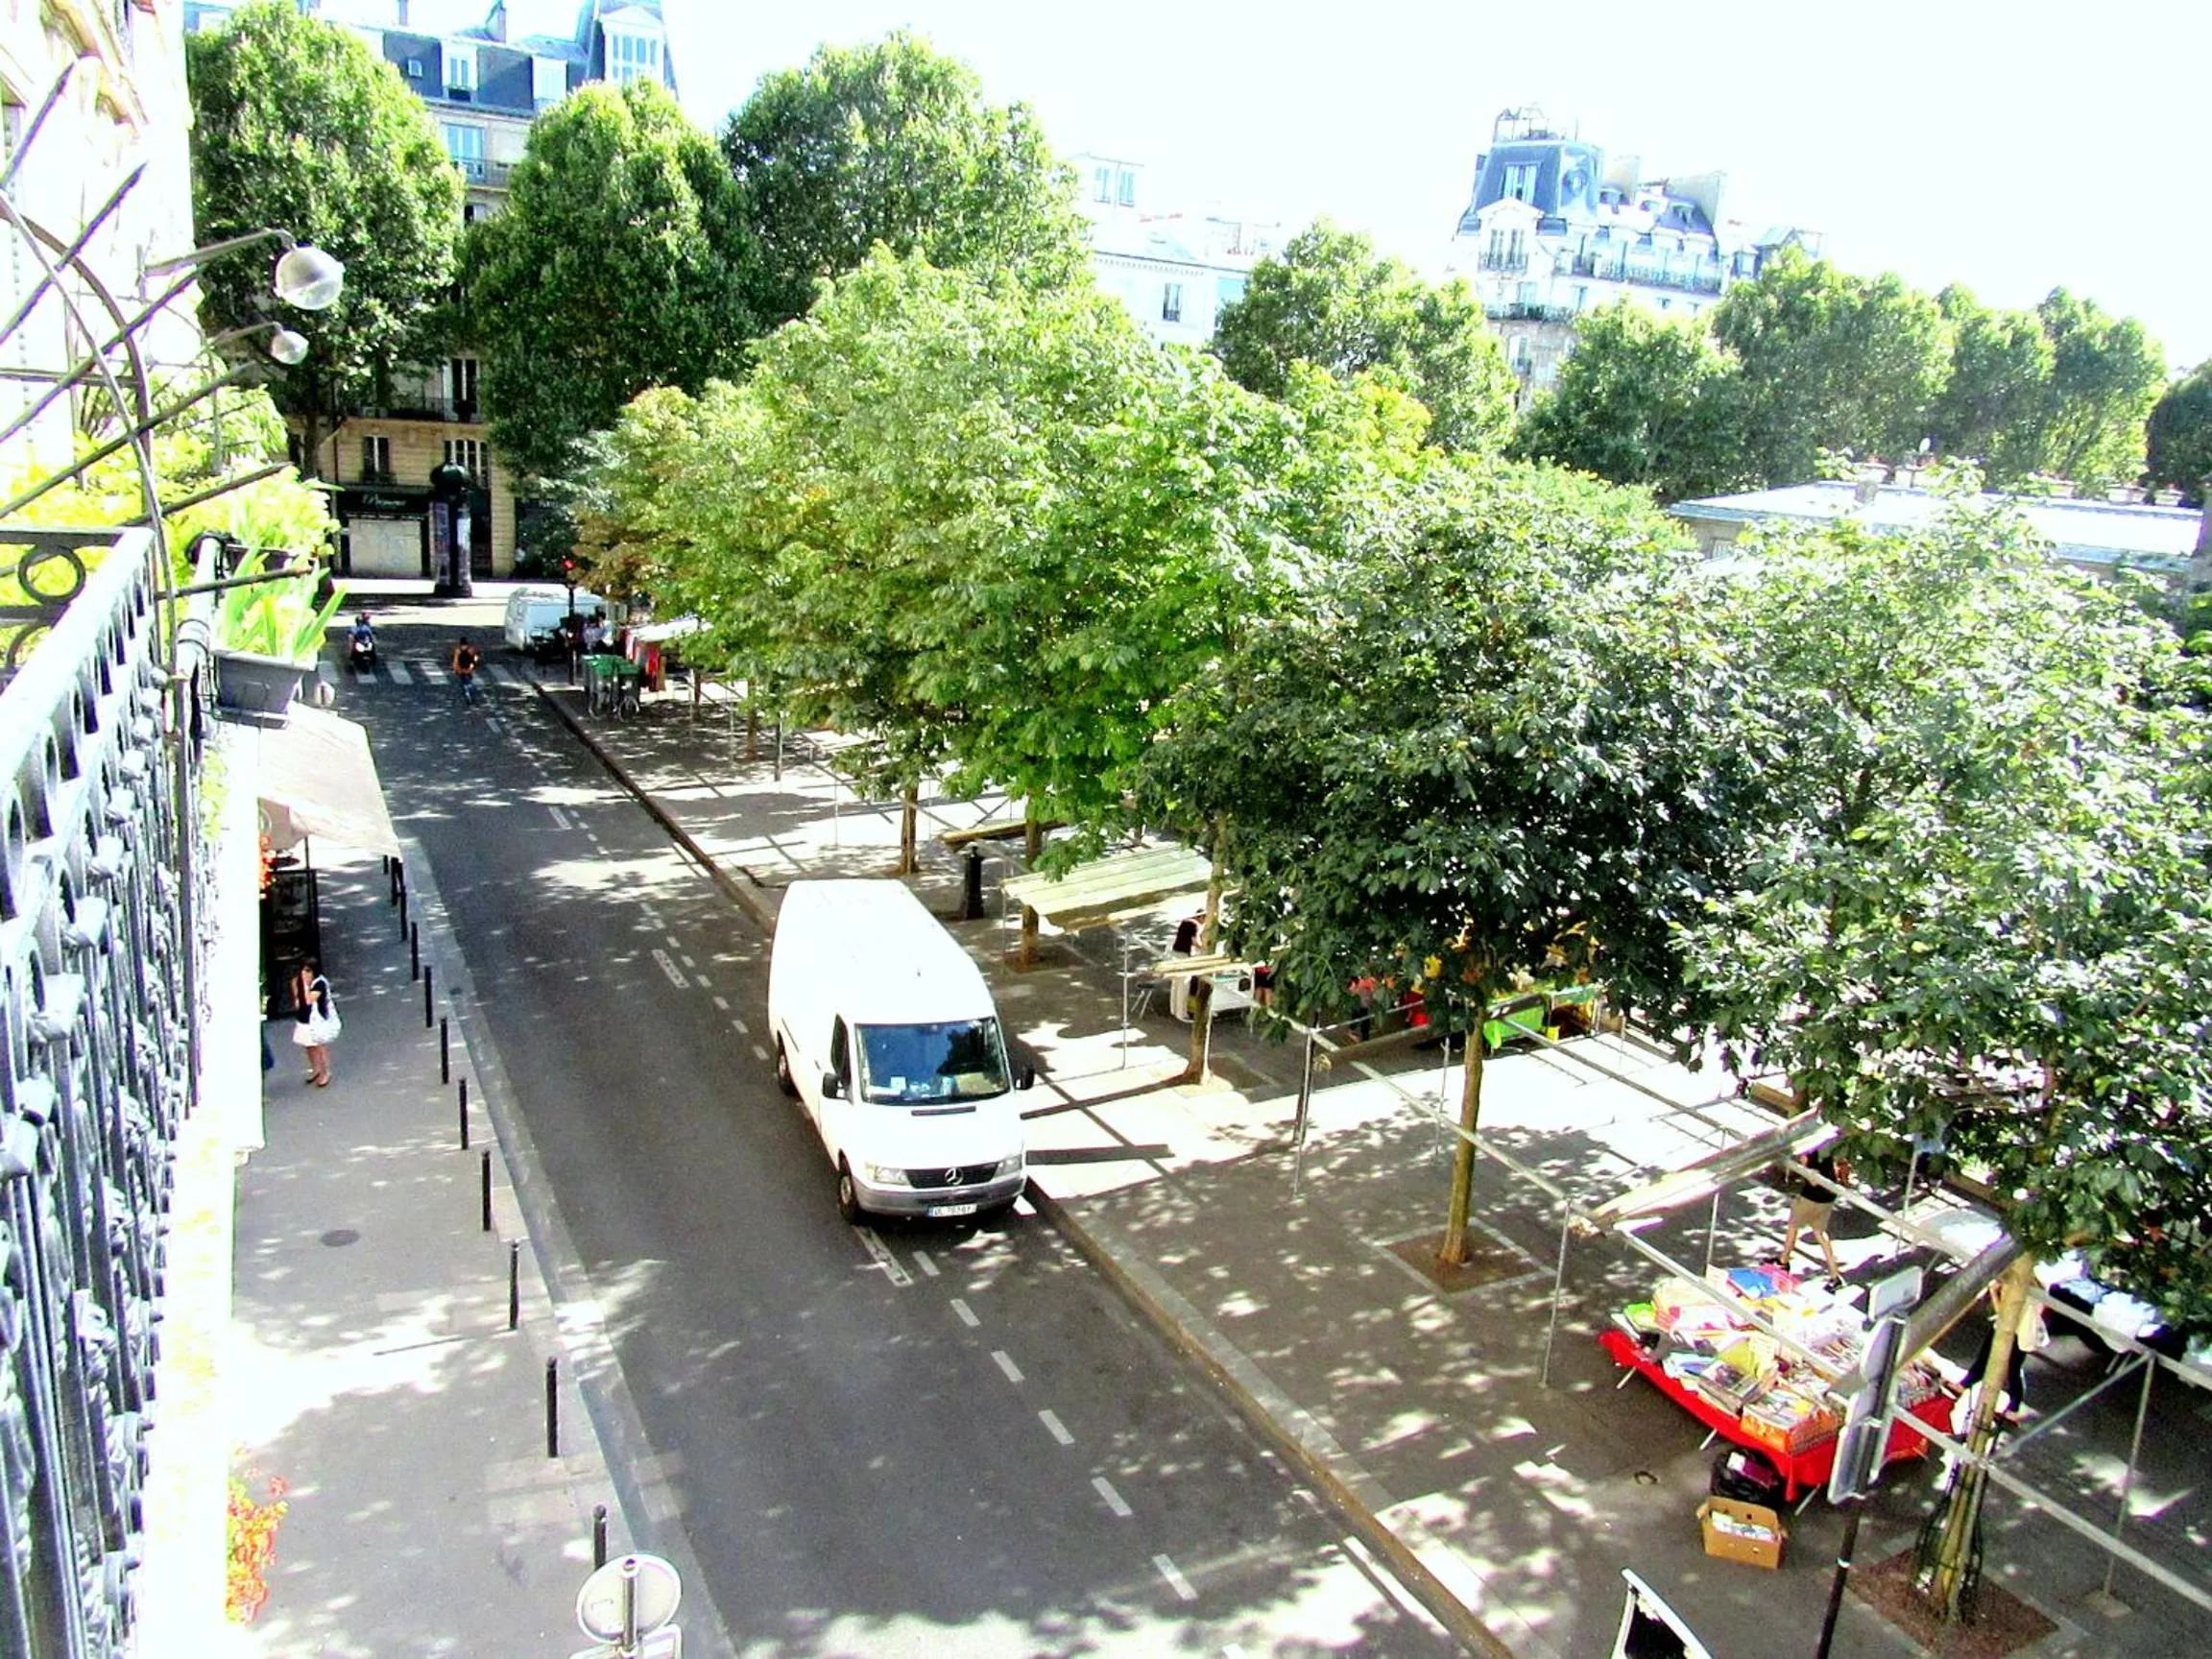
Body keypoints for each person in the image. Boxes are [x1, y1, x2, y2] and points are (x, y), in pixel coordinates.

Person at [1779, 1144, 1849, 1290]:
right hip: (1828, 1198)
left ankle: (1783, 1262)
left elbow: (1813, 1180)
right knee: (1820, 1234)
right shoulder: (1826, 1152)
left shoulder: (1809, 1154)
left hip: (1810, 1198)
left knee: (1793, 1227)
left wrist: (1802, 1168)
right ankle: (1835, 1275)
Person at [290, 958, 340, 1087]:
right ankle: (315, 1069)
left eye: (307, 971)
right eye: (303, 970)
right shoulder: (298, 982)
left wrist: (306, 985)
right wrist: (297, 988)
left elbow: (309, 1000)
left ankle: (326, 1072)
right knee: (308, 1045)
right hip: (304, 1017)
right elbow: (297, 1002)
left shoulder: (319, 983)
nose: (304, 974)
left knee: (319, 1046)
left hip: (317, 1020)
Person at [450, 633, 482, 707]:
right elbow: (475, 658)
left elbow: (456, 661)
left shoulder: (460, 651)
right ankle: (469, 695)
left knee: (466, 683)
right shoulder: (468, 650)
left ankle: (468, 695)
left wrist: (456, 670)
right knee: (467, 683)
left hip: (464, 669)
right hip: (465, 669)